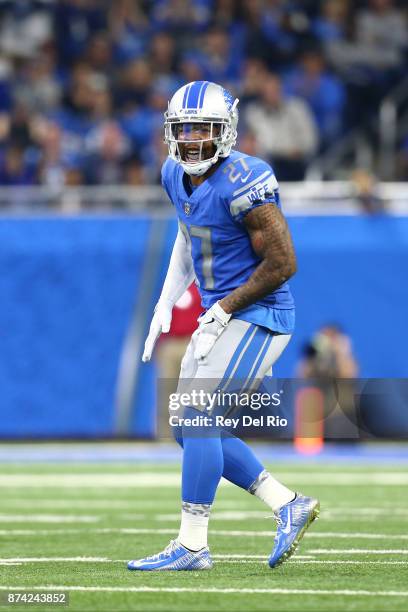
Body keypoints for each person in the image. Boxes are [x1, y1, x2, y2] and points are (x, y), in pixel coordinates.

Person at [128, 81, 320, 572]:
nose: (191, 140)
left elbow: (282, 263)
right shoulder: (174, 173)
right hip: (223, 314)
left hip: (260, 314)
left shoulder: (246, 179)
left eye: (203, 129)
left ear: (227, 132)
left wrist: (223, 309)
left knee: (196, 419)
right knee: (187, 429)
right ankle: (287, 503)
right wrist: (166, 302)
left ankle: (192, 545)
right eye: (183, 129)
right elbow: (187, 233)